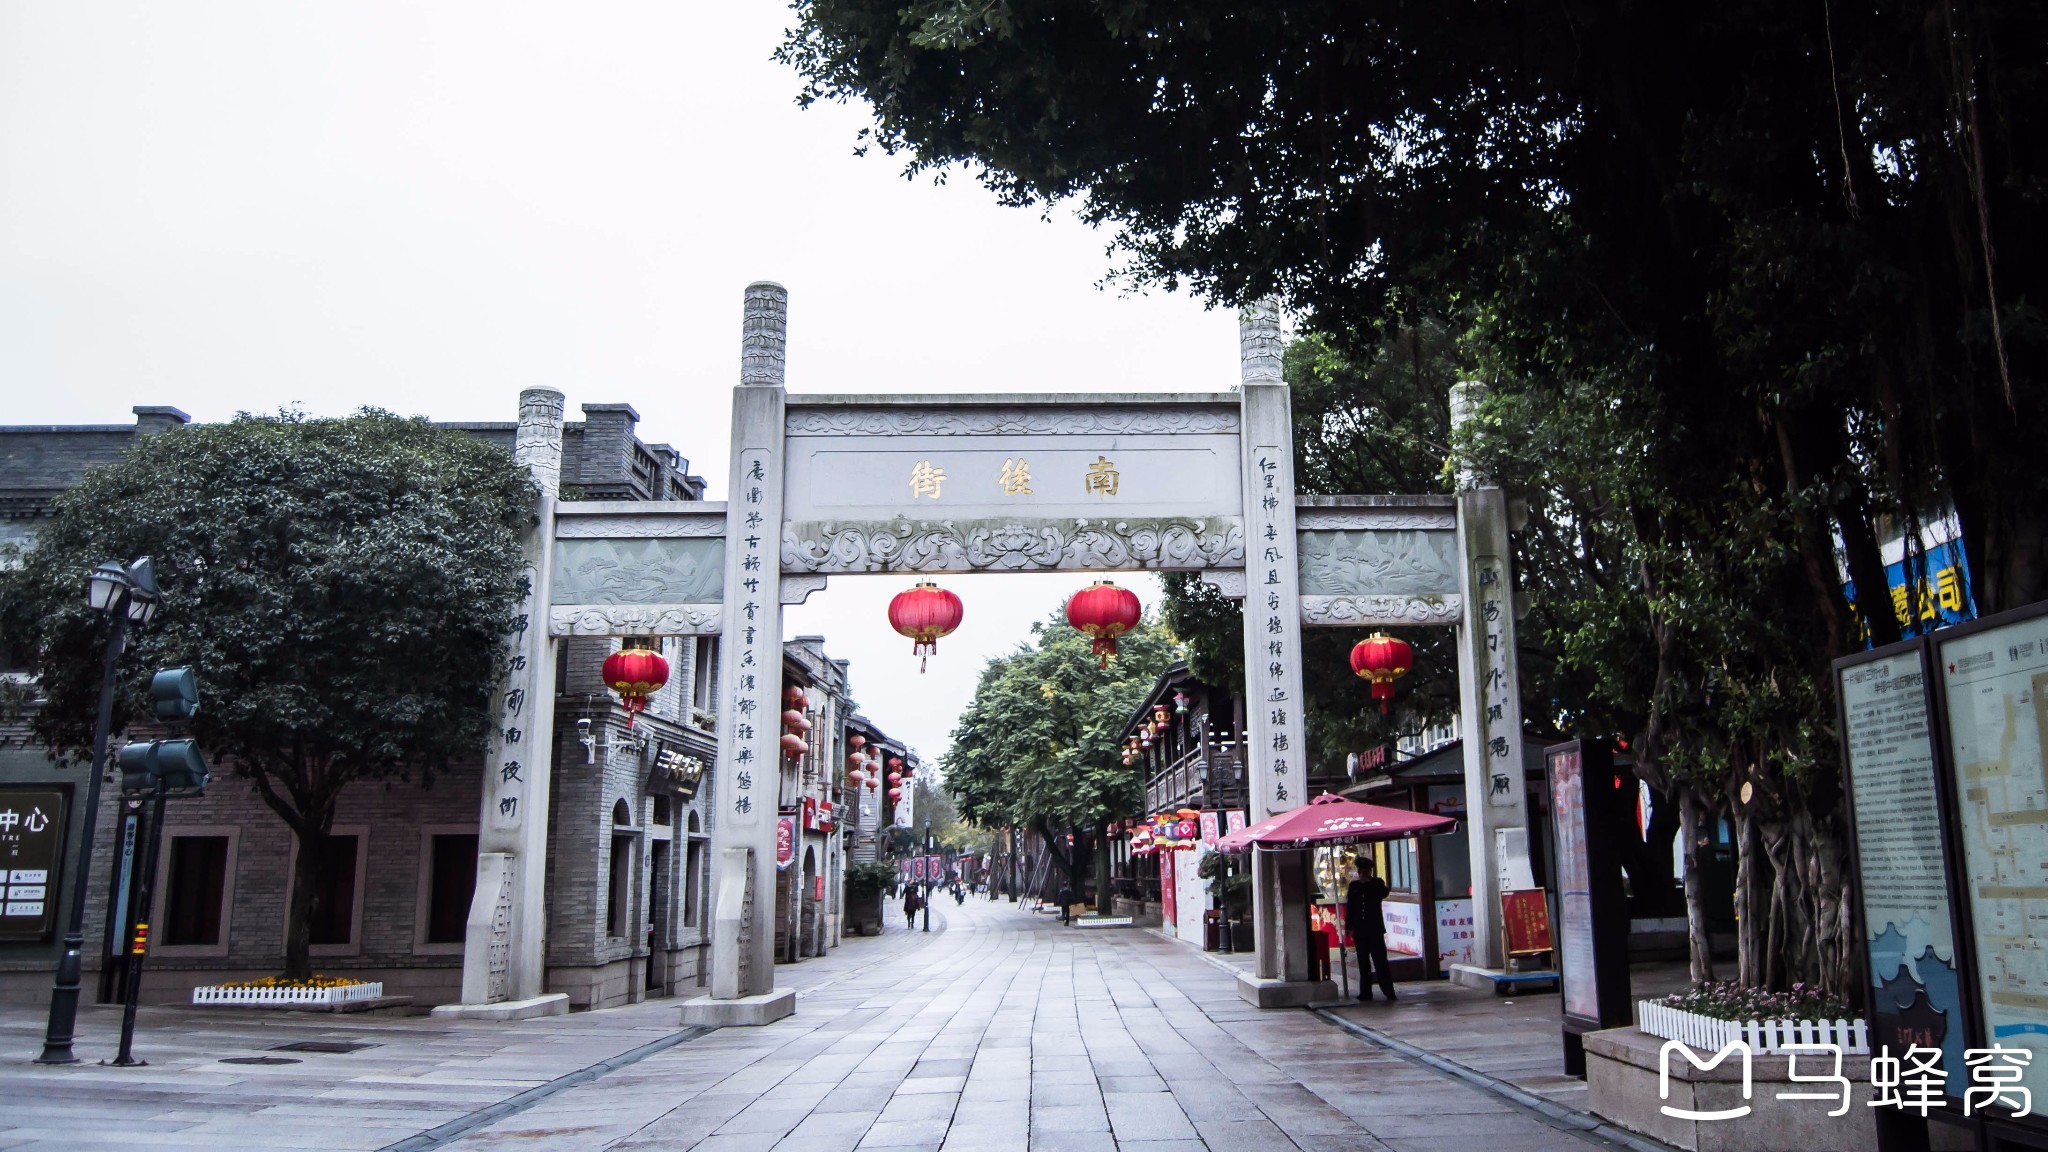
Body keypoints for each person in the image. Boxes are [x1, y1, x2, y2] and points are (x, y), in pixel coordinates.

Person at [1345, 860, 1397, 1001]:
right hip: (1360, 931)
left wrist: (1370, 882)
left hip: (1375, 930)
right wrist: (1348, 927)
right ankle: (1365, 992)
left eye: (1365, 872)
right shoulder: (1354, 886)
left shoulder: (1377, 884)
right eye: (1361, 872)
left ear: (1370, 872)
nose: (1363, 874)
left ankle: (1388, 991)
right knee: (1363, 963)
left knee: (1380, 961)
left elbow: (1384, 893)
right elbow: (1350, 908)